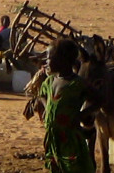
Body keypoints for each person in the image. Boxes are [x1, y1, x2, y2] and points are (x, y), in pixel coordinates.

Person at [40, 38, 96, 173]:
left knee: (73, 168)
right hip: (53, 138)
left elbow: (99, 100)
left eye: (49, 58)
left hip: (70, 138)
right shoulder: (49, 81)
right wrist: (47, 107)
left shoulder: (77, 84)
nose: (46, 62)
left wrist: (82, 115)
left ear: (63, 60)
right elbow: (41, 94)